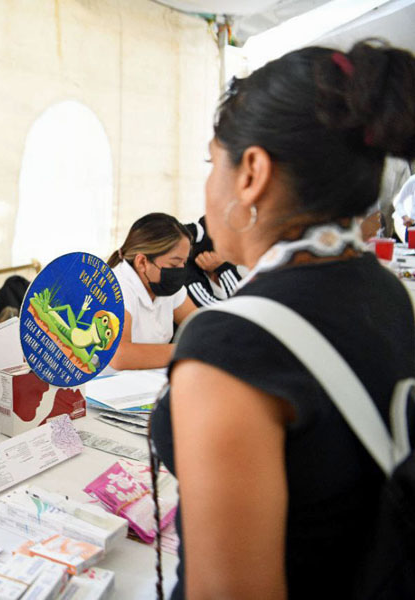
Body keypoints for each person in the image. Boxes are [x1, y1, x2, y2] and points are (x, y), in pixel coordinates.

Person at [150, 40, 415, 598]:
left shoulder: (232, 345)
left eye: (210, 161)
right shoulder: (385, 291)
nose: (207, 184)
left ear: (251, 172)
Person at [105, 213, 197, 370]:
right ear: (142, 262)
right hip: (108, 388)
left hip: (148, 384)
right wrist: (189, 350)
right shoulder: (115, 287)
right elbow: (119, 355)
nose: (181, 270)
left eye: (185, 262)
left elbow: (202, 326)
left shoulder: (167, 287)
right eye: (174, 264)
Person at [182, 216, 242, 306]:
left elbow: (251, 303)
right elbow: (229, 311)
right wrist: (223, 269)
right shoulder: (188, 274)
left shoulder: (239, 267)